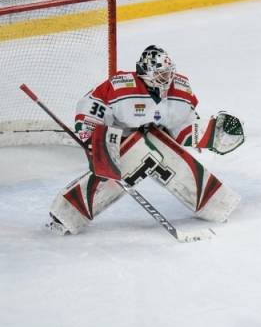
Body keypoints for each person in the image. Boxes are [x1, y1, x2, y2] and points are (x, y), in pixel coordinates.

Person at [46, 45, 245, 235]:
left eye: (169, 72)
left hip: (155, 135)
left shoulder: (181, 91)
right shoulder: (120, 86)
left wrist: (212, 134)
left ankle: (215, 203)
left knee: (164, 152)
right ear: (146, 72)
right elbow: (93, 104)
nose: (168, 78)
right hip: (118, 138)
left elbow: (183, 128)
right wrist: (92, 136)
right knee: (124, 164)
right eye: (161, 73)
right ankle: (67, 214)